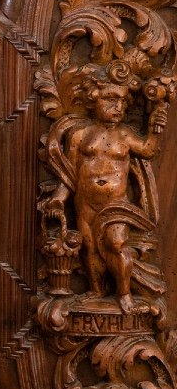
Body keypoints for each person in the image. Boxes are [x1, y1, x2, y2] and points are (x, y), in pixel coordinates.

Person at [41, 74, 169, 312]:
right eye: (110, 100)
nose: (117, 107)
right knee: (89, 247)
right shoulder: (80, 135)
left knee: (116, 242)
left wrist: (155, 128)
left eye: (122, 102)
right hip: (85, 203)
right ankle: (97, 290)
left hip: (116, 203)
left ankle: (123, 293)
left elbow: (149, 150)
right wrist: (59, 198)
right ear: (94, 100)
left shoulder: (126, 136)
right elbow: (70, 174)